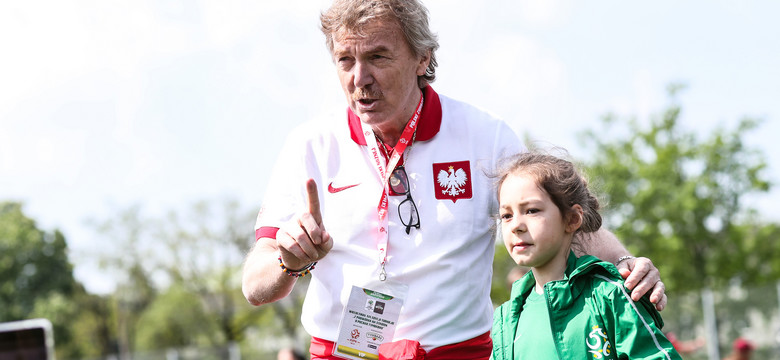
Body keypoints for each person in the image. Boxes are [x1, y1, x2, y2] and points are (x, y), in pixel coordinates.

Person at [242, 1, 667, 359]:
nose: (359, 78)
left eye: (377, 56)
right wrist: (288, 261)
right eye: (345, 60)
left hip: (459, 353)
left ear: (422, 57)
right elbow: (255, 286)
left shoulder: (485, 136)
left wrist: (627, 265)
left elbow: (559, 222)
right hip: (340, 353)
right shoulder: (309, 145)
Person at [490, 151, 681, 360]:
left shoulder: (611, 295)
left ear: (572, 219)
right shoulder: (505, 319)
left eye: (532, 210)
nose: (516, 225)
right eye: (506, 215)